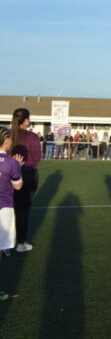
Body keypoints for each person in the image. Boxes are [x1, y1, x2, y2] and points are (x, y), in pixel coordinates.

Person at [10, 108, 41, 253]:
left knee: (7, 210)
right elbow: (37, 157)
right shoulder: (31, 136)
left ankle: (6, 244)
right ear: (25, 120)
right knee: (22, 211)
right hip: (27, 174)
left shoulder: (9, 134)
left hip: (6, 174)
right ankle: (21, 243)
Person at [0, 127, 24, 300]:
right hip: (4, 209)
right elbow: (18, 186)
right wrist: (18, 168)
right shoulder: (11, 163)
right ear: (6, 141)